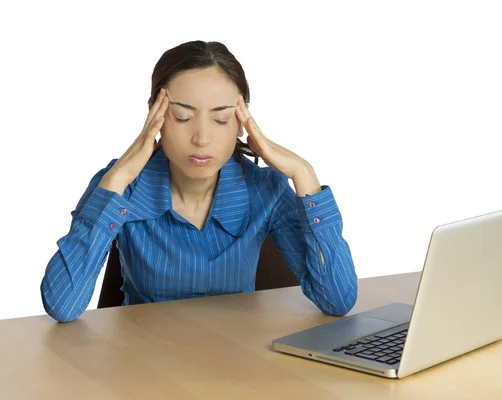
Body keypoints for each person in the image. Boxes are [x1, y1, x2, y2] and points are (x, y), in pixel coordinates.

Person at [40, 40, 358, 323]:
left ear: (240, 122)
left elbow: (336, 300)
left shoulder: (265, 189)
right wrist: (120, 176)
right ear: (156, 116)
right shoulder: (123, 185)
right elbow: (63, 306)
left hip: (238, 364)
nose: (202, 138)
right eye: (182, 117)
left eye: (220, 119)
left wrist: (304, 174)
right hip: (142, 366)